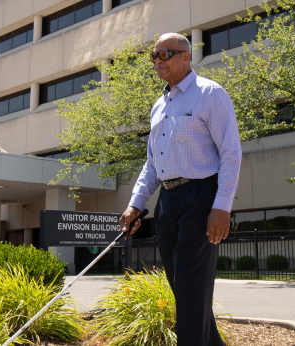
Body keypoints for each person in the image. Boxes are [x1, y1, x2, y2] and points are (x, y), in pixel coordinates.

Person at [118, 33, 241, 346]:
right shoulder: (159, 106)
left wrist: (222, 205)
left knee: (189, 288)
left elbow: (231, 152)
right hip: (167, 202)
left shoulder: (209, 94)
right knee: (185, 288)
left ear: (186, 56)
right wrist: (136, 203)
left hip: (201, 198)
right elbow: (152, 162)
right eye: (154, 56)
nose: (158, 61)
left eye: (166, 54)